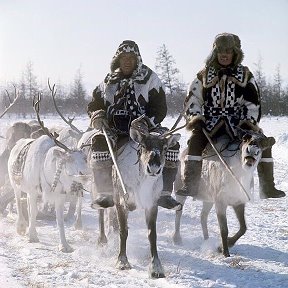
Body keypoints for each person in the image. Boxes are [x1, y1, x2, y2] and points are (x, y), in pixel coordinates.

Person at [177, 33, 286, 199]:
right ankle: (191, 185)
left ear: (235, 53)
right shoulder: (203, 75)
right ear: (215, 52)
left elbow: (253, 104)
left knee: (263, 142)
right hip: (209, 125)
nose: (224, 54)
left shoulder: (245, 75)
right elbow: (193, 100)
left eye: (228, 50)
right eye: (220, 50)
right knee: (195, 141)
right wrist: (197, 119)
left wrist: (248, 123)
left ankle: (268, 187)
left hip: (239, 126)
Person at [87, 40, 181, 210]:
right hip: (115, 129)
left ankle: (165, 194)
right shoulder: (108, 81)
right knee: (99, 142)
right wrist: (97, 115)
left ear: (137, 59)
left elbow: (160, 108)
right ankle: (105, 193)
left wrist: (145, 121)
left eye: (131, 57)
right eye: (124, 57)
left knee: (171, 145)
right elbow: (94, 104)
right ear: (118, 59)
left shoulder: (150, 78)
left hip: (145, 129)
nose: (127, 61)